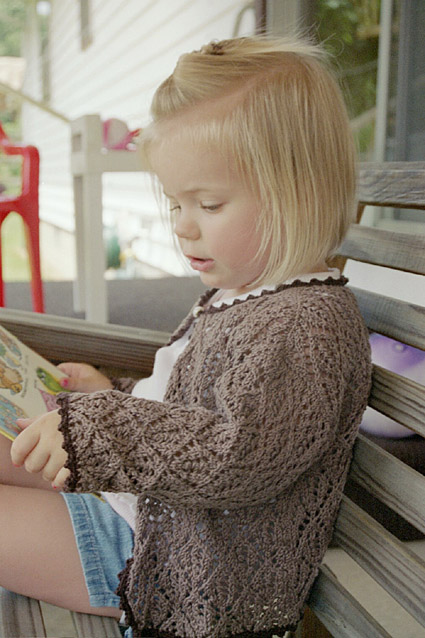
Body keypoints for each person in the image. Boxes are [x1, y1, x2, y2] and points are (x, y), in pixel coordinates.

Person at [1, 36, 372, 638]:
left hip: (168, 557)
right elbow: (186, 406)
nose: (183, 227)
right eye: (176, 204)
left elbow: (238, 453)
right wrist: (110, 392)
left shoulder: (307, 325)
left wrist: (101, 425)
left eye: (209, 203)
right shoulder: (245, 295)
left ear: (298, 192)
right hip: (141, 503)